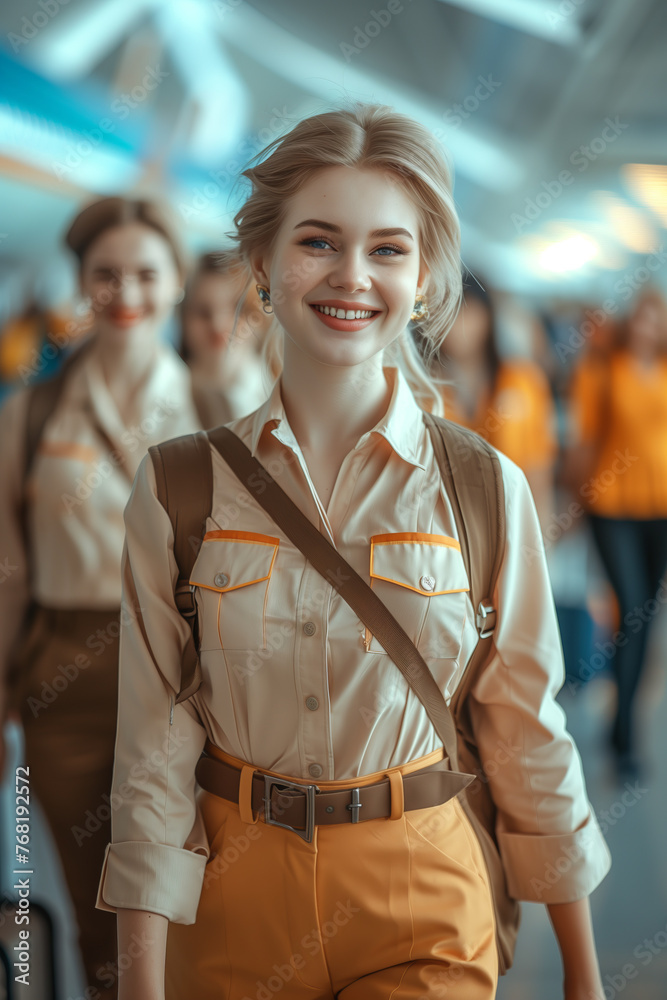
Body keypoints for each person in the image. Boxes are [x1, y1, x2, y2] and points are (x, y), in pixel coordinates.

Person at [94, 106, 611, 999]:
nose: (351, 277)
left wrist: (584, 973)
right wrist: (139, 981)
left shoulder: (483, 489)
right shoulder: (177, 488)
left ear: (424, 274)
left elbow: (525, 724)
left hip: (423, 888)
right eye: (319, 242)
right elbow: (150, 749)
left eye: (387, 249)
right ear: (260, 263)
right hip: (232, 891)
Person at [0, 196, 204, 998]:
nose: (126, 292)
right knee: (97, 910)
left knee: (188, 903)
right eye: (105, 274)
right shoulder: (33, 413)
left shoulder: (219, 409)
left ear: (177, 282)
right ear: (82, 283)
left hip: (193, 682)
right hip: (66, 682)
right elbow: (7, 567)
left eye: (146, 274)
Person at [566, 287, 667, 779]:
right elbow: (582, 437)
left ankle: (626, 725)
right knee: (630, 610)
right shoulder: (603, 368)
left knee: (647, 618)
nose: (650, 328)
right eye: (643, 318)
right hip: (612, 505)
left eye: (658, 319)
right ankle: (624, 737)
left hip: (661, 507)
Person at [437, 280, 557, 529]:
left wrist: (542, 533)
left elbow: (538, 464)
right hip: (448, 528)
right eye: (447, 313)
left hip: (514, 519)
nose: (458, 325)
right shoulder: (424, 388)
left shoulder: (522, 380)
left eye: (467, 312)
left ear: (488, 317)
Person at [180, 250, 269, 425]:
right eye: (203, 312)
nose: (218, 325)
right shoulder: (171, 392)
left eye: (235, 309)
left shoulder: (284, 392)